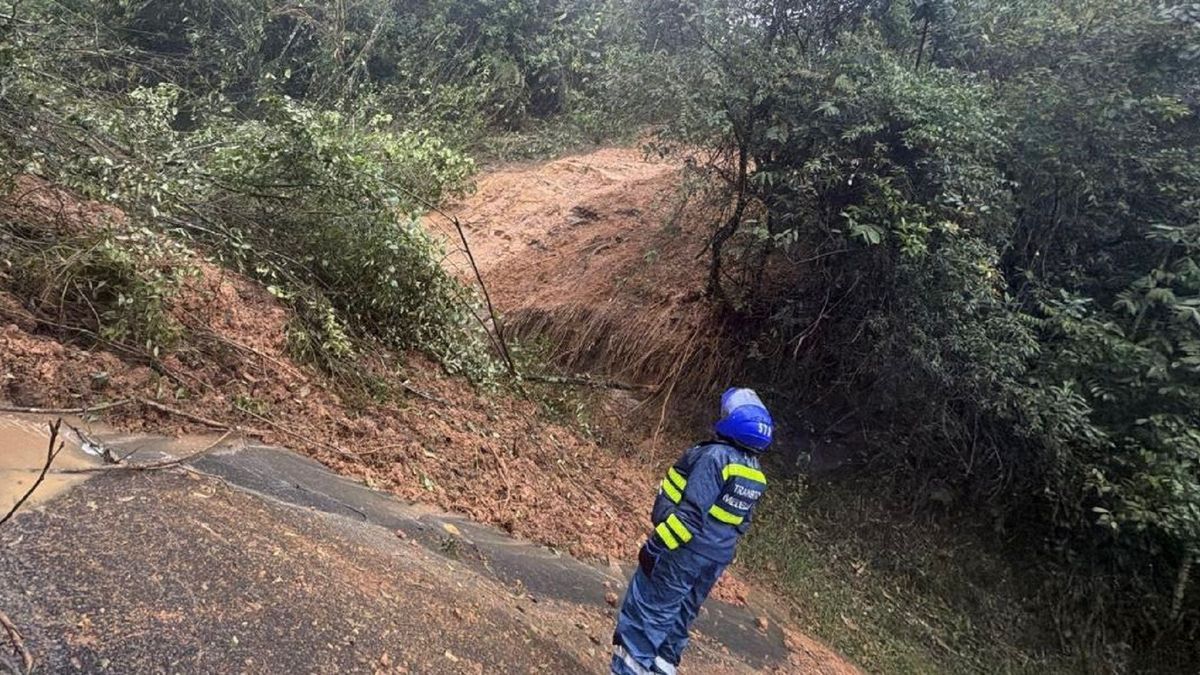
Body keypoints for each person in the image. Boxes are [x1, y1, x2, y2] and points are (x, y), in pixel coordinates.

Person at [611, 387, 773, 675]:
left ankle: (629, 670)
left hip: (683, 552)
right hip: (714, 557)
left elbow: (689, 517)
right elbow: (741, 523)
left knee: (649, 614)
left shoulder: (715, 457)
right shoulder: (754, 472)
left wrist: (655, 546)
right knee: (679, 619)